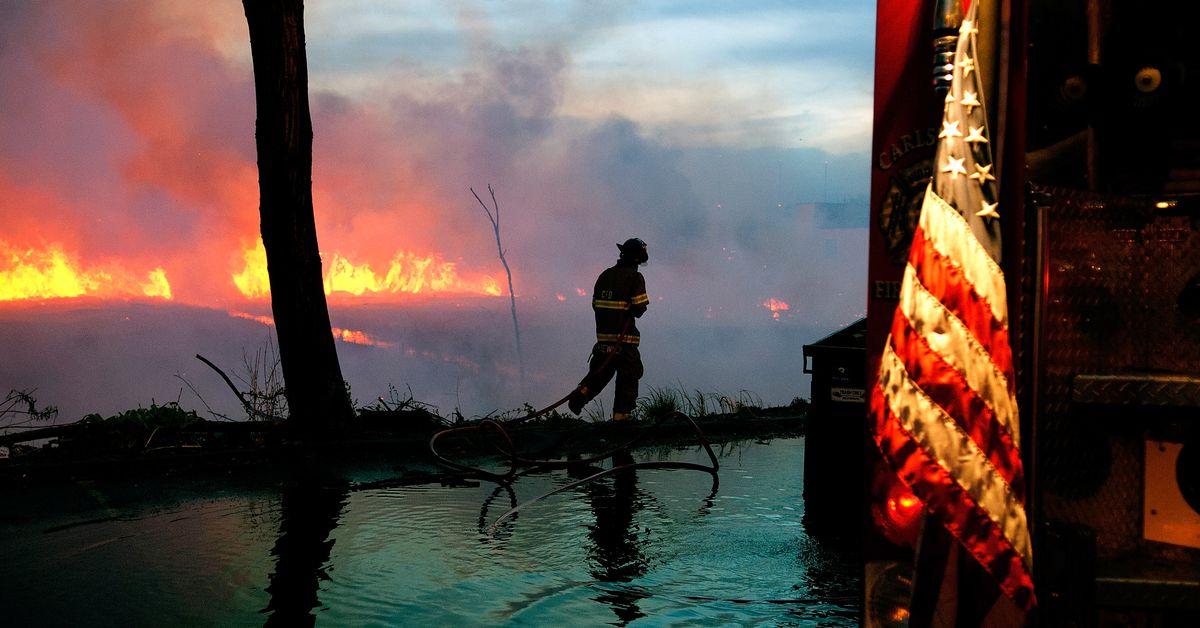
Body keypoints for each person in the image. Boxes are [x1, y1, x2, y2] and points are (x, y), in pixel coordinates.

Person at [567, 238, 650, 421]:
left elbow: (595, 304)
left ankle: (580, 395)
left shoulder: (604, 275)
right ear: (637, 258)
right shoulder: (635, 277)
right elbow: (639, 309)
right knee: (628, 378)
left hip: (603, 341)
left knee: (599, 375)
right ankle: (621, 418)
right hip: (625, 341)